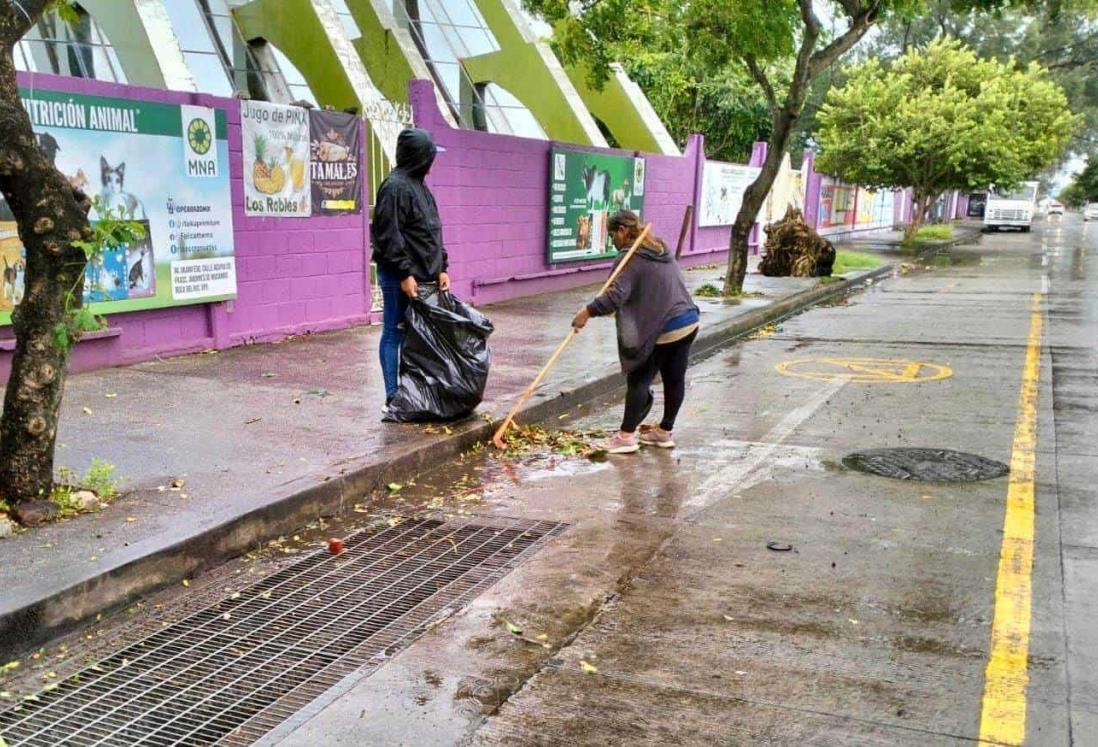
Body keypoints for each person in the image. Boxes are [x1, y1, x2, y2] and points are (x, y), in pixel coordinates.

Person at [571, 210, 700, 454]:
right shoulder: (658, 247)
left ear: (621, 231)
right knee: (674, 379)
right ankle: (664, 432)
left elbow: (615, 296)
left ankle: (626, 437)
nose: (613, 242)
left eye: (612, 236)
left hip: (664, 326)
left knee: (639, 377)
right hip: (687, 320)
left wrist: (586, 312)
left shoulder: (630, 256)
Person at [371, 128, 450, 410]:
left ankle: (410, 391)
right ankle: (392, 396)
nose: (433, 162)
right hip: (400, 276)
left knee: (412, 334)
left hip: (423, 274)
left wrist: (442, 266)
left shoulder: (419, 186)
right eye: (430, 156)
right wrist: (404, 274)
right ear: (419, 157)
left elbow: (432, 230)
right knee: (394, 331)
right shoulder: (394, 188)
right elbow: (388, 235)